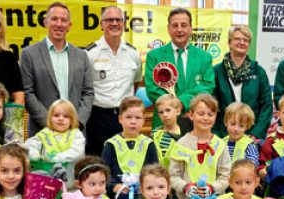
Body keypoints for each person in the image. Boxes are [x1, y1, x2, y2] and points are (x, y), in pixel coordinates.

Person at [21, 2, 94, 136]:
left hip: (75, 133)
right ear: (45, 22)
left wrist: (76, 122)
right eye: (54, 19)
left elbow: (88, 92)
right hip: (42, 133)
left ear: (69, 26)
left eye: (64, 20)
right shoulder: (29, 54)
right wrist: (50, 122)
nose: (59, 24)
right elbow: (27, 93)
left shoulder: (82, 55)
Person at [169, 94, 231, 199]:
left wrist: (213, 188)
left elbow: (226, 176)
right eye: (201, 113)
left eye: (210, 114)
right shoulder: (181, 145)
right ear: (191, 115)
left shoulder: (220, 145)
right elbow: (173, 175)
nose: (206, 118)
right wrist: (185, 186)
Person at [145, 8, 216, 131]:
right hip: (165, 121)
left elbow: (207, 85)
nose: (179, 29)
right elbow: (152, 88)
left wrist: (183, 103)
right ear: (168, 29)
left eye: (184, 25)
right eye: (175, 25)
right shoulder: (154, 56)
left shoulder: (205, 58)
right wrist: (172, 108)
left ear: (190, 29)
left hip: (194, 120)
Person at [85, 5, 143, 156]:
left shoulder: (133, 53)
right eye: (110, 20)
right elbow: (83, 88)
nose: (115, 23)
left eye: (119, 20)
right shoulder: (90, 53)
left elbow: (135, 83)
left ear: (124, 24)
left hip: (126, 117)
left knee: (127, 160)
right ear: (101, 24)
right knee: (97, 162)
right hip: (98, 117)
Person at [212, 25, 273, 139]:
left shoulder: (259, 72)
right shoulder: (216, 71)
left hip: (251, 135)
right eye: (237, 39)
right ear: (229, 43)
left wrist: (256, 134)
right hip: (222, 135)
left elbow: (267, 106)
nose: (241, 42)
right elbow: (211, 106)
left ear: (249, 45)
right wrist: (217, 134)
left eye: (245, 40)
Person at [101, 96, 159, 199]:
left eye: (138, 118)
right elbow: (103, 173)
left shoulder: (149, 144)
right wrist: (114, 186)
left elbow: (155, 173)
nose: (133, 121)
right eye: (128, 117)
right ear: (120, 119)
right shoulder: (111, 144)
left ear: (144, 119)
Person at [23, 99, 86, 166]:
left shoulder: (76, 134)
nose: (61, 119)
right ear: (50, 118)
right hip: (46, 172)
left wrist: (56, 159)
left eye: (66, 116)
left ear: (72, 120)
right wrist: (36, 157)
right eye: (56, 115)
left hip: (70, 173)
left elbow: (77, 152)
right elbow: (29, 145)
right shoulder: (45, 133)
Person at [152, 94, 184, 169]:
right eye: (161, 112)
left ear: (178, 111)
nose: (165, 115)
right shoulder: (154, 133)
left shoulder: (183, 133)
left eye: (168, 110)